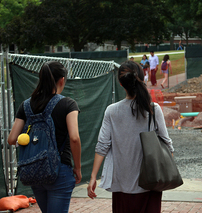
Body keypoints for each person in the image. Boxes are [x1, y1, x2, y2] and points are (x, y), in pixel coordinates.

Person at [87, 60, 174, 213]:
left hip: (122, 186)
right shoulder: (153, 109)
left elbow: (102, 145)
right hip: (151, 183)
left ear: (121, 84)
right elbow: (167, 144)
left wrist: (93, 176)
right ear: (143, 79)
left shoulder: (112, 111)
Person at [8, 61, 82, 213]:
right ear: (62, 79)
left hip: (34, 171)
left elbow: (11, 139)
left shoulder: (26, 105)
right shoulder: (68, 104)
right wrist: (78, 168)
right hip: (59, 170)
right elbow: (74, 138)